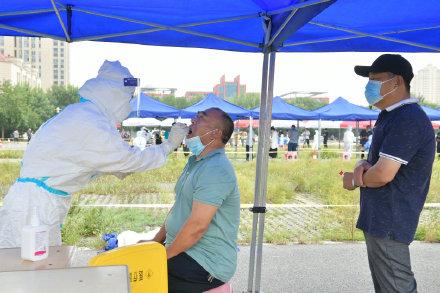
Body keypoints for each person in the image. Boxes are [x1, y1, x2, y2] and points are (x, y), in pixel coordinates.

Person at [0, 60, 188, 248]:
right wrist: (169, 145)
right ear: (113, 95)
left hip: (37, 204)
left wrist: (118, 167)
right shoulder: (90, 122)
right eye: (127, 98)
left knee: (36, 265)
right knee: (26, 269)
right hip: (34, 211)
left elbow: (106, 161)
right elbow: (128, 159)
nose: (128, 104)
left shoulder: (82, 114)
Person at [343, 54, 435, 293]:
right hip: (381, 219)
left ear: (397, 82)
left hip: (390, 221)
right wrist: (364, 165)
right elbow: (377, 165)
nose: (369, 86)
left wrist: (354, 179)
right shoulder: (391, 115)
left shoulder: (408, 118)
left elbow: (383, 174)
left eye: (375, 80)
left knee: (397, 287)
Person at [150, 108, 240, 292]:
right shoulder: (196, 162)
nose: (193, 121)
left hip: (205, 261)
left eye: (200, 118)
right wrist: (154, 243)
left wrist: (162, 257)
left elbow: (197, 226)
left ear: (215, 133)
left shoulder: (216, 169)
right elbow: (178, 209)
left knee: (143, 280)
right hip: (184, 252)